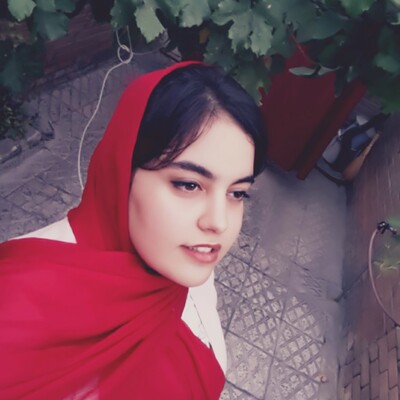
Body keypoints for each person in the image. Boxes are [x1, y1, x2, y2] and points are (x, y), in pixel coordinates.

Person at [0, 61, 266, 399]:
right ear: (122, 171)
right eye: (188, 185)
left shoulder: (185, 272)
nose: (219, 222)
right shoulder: (14, 307)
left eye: (237, 193)